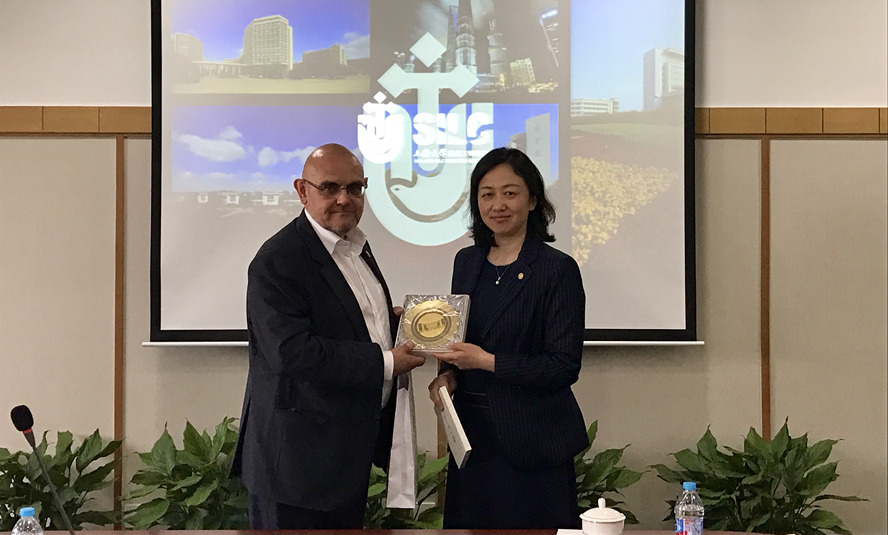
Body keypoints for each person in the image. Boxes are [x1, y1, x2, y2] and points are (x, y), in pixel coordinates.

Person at [231, 143, 425, 529]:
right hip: (296, 471)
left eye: (355, 188)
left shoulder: (355, 246)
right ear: (302, 191)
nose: (343, 199)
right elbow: (292, 352)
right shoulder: (278, 259)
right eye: (330, 188)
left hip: (341, 461)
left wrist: (394, 323)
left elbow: (346, 319)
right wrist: (387, 362)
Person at [428, 147, 588, 529]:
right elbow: (459, 336)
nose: (497, 204)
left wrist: (486, 361)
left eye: (510, 193)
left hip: (532, 443)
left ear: (532, 200)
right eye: (487, 194)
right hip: (472, 440)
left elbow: (563, 366)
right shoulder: (467, 261)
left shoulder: (557, 269)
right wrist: (447, 375)